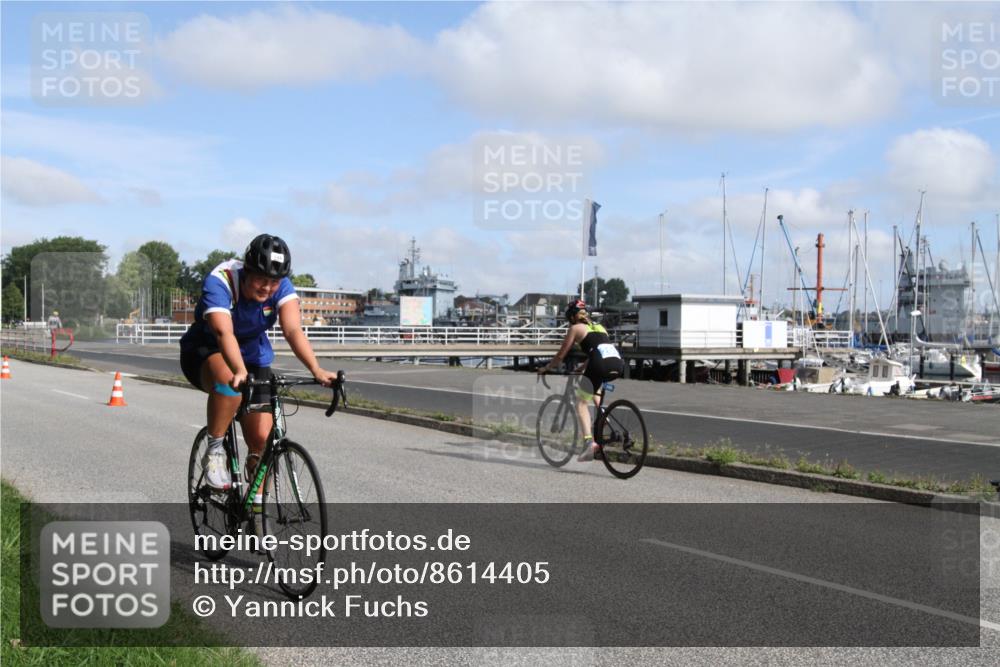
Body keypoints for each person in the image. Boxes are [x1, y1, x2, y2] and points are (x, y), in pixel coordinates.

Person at [179, 234, 337, 491]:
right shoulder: (222, 280)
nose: (267, 287)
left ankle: (256, 518)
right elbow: (224, 333)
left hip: (253, 353)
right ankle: (215, 451)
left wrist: (316, 369)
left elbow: (293, 330)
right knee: (229, 383)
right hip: (207, 348)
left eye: (274, 282)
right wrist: (239, 370)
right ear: (247, 270)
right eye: (262, 279)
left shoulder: (282, 287)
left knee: (262, 442)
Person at [538, 299, 624, 462]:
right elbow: (598, 350)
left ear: (571, 317)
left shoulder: (575, 328)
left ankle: (588, 444)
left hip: (599, 363)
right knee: (594, 386)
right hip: (617, 363)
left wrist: (546, 368)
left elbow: (561, 355)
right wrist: (582, 367)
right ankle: (604, 416)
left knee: (580, 403)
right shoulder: (600, 327)